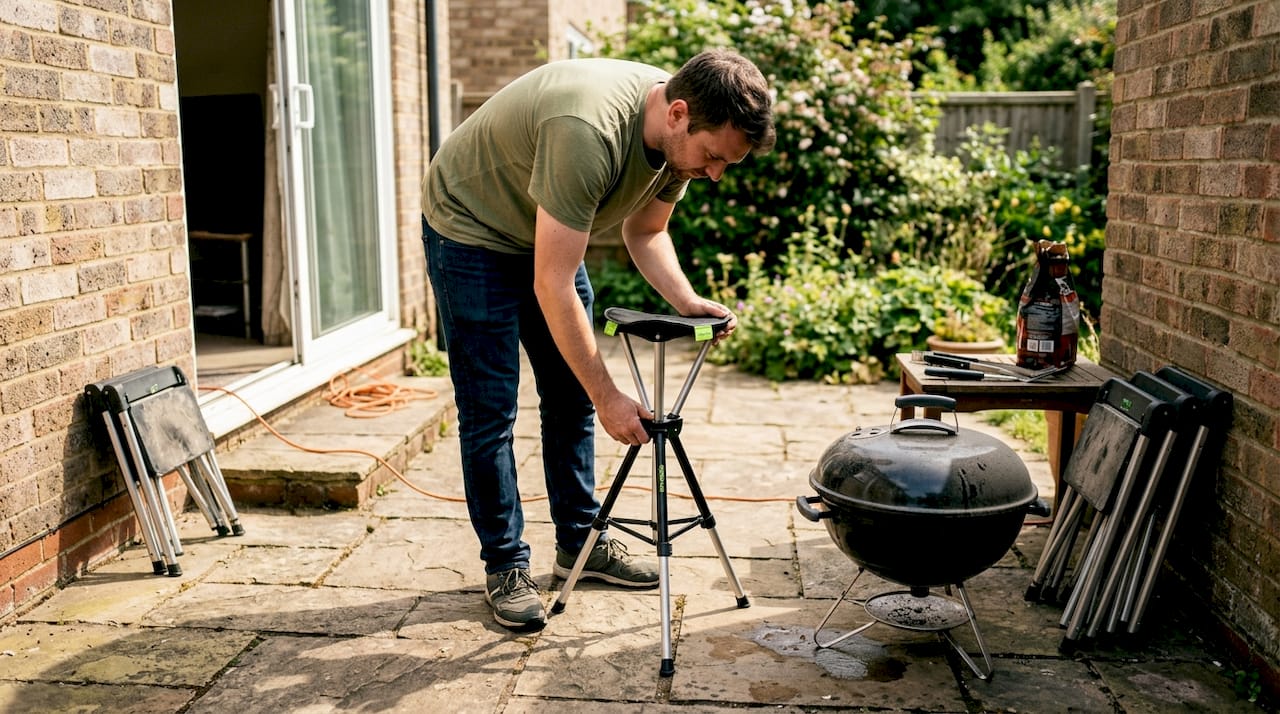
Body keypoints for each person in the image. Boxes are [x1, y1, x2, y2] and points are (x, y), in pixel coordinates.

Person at [420, 48, 775, 631]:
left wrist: (687, 301)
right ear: (679, 114)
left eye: (725, 164)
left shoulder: (676, 144)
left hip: (543, 232)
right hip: (471, 228)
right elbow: (553, 282)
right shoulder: (587, 131)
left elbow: (647, 230)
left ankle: (580, 544)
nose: (714, 174)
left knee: (570, 397)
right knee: (490, 410)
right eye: (714, 157)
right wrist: (609, 395)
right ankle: (506, 565)